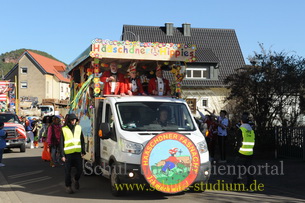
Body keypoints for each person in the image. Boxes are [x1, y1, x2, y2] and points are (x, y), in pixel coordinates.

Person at [60, 114, 85, 194]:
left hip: (77, 153)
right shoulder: (64, 129)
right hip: (68, 154)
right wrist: (62, 155)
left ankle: (76, 179)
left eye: (75, 120)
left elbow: (82, 140)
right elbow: (61, 143)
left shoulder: (79, 128)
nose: (73, 121)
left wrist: (83, 151)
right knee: (67, 171)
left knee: (80, 169)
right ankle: (68, 186)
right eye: (72, 120)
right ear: (69, 121)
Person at [232, 112, 255, 189]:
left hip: (241, 152)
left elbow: (239, 142)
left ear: (241, 121)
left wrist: (236, 150)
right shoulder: (251, 130)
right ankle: (250, 185)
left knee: (237, 170)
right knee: (249, 171)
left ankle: (235, 185)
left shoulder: (241, 129)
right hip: (250, 152)